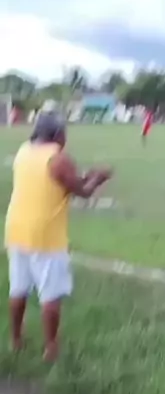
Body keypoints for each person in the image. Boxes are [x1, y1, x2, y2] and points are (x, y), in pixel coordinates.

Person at [4, 112, 112, 362]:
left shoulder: (24, 151)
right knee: (50, 294)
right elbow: (82, 191)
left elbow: (60, 182)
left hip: (16, 228)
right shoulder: (58, 158)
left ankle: (15, 339)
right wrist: (98, 177)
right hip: (45, 234)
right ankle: (51, 348)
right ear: (57, 134)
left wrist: (86, 176)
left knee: (18, 287)